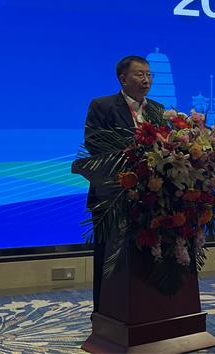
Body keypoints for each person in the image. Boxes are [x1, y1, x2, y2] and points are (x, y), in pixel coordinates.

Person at [82, 55, 163, 313]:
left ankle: (146, 311)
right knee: (108, 258)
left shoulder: (157, 110)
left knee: (148, 255)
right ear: (123, 78)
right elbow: (94, 143)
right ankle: (104, 314)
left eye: (149, 74)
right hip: (112, 197)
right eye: (140, 74)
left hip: (150, 197)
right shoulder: (103, 106)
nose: (146, 79)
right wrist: (133, 155)